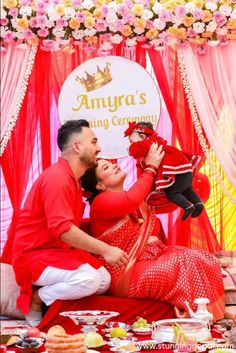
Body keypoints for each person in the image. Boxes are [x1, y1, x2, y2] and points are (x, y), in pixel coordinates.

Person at [12, 120, 129, 327]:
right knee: (89, 280)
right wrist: (107, 249)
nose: (99, 148)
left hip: (57, 252)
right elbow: (63, 230)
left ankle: (59, 311)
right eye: (93, 142)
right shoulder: (57, 177)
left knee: (103, 279)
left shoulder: (73, 179)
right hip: (34, 256)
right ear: (77, 147)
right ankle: (37, 298)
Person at [81, 155, 225, 322]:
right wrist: (150, 168)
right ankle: (194, 316)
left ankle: (212, 313)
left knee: (203, 257)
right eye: (106, 168)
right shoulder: (101, 202)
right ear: (99, 184)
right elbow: (130, 201)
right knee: (182, 262)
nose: (114, 166)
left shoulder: (133, 197)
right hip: (125, 271)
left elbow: (145, 202)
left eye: (112, 163)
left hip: (151, 258)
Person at [124, 121, 204, 220]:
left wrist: (130, 148)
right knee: (187, 189)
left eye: (132, 141)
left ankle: (188, 206)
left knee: (172, 193)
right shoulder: (156, 141)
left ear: (142, 137)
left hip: (176, 172)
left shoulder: (148, 143)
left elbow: (137, 150)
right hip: (185, 170)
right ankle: (198, 203)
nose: (131, 144)